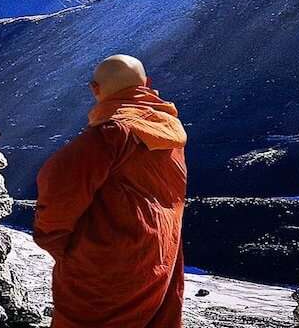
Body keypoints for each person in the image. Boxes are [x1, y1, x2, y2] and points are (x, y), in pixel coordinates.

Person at [33, 54, 188, 328]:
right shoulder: (167, 128)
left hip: (105, 266)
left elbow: (57, 180)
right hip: (160, 254)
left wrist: (59, 244)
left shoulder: (111, 132)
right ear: (147, 84)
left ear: (95, 89)